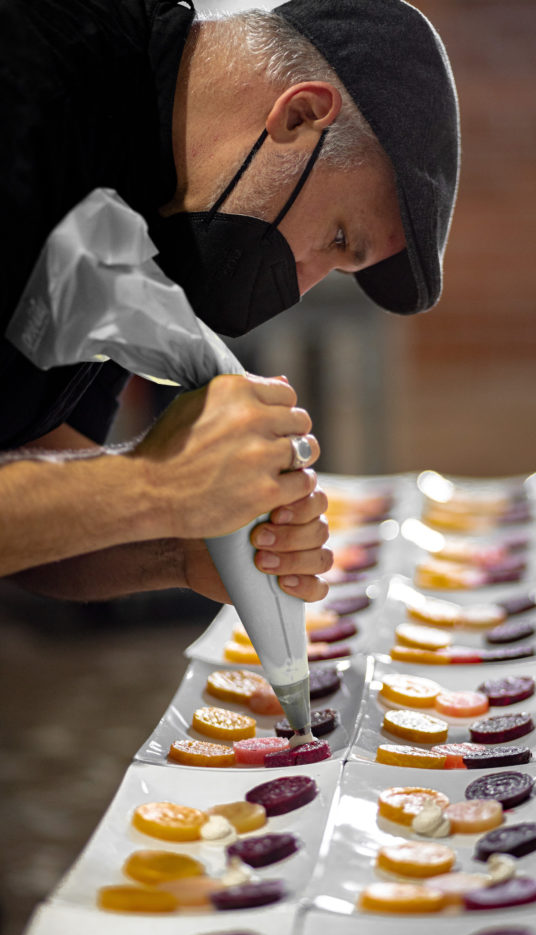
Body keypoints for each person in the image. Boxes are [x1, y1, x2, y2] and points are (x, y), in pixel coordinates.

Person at [0, 0, 459, 606]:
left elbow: (36, 485)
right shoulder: (29, 78)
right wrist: (152, 484)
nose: (303, 283)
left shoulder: (156, 217)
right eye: (339, 239)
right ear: (299, 114)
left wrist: (191, 546)